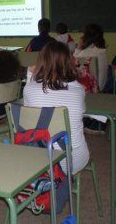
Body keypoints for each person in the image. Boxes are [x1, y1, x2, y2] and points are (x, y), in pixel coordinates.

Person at [23, 42, 90, 174]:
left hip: (40, 162)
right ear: (69, 62)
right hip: (74, 160)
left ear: (41, 61)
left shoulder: (29, 89)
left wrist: (30, 74)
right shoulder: (79, 90)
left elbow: (27, 116)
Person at [74, 23, 108, 91]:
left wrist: (78, 48)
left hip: (88, 89)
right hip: (100, 88)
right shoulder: (102, 52)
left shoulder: (84, 53)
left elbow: (73, 62)